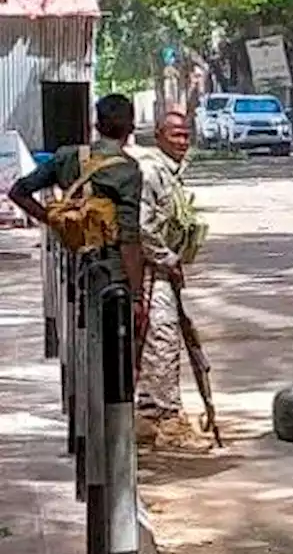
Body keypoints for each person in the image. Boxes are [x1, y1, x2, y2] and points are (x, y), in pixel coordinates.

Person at [8, 94, 144, 307]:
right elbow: (129, 239)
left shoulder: (66, 157)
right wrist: (137, 296)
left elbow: (18, 192)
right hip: (113, 278)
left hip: (71, 270)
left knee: (75, 332)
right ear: (130, 128)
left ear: (97, 125)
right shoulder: (127, 170)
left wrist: (52, 219)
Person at [131, 111, 211, 452]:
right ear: (159, 136)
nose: (183, 141)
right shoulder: (151, 171)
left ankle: (149, 415)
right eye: (175, 135)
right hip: (151, 272)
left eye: (186, 135)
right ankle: (169, 421)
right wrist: (168, 259)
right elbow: (142, 226)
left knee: (162, 341)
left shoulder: (172, 173)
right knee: (163, 343)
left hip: (164, 270)